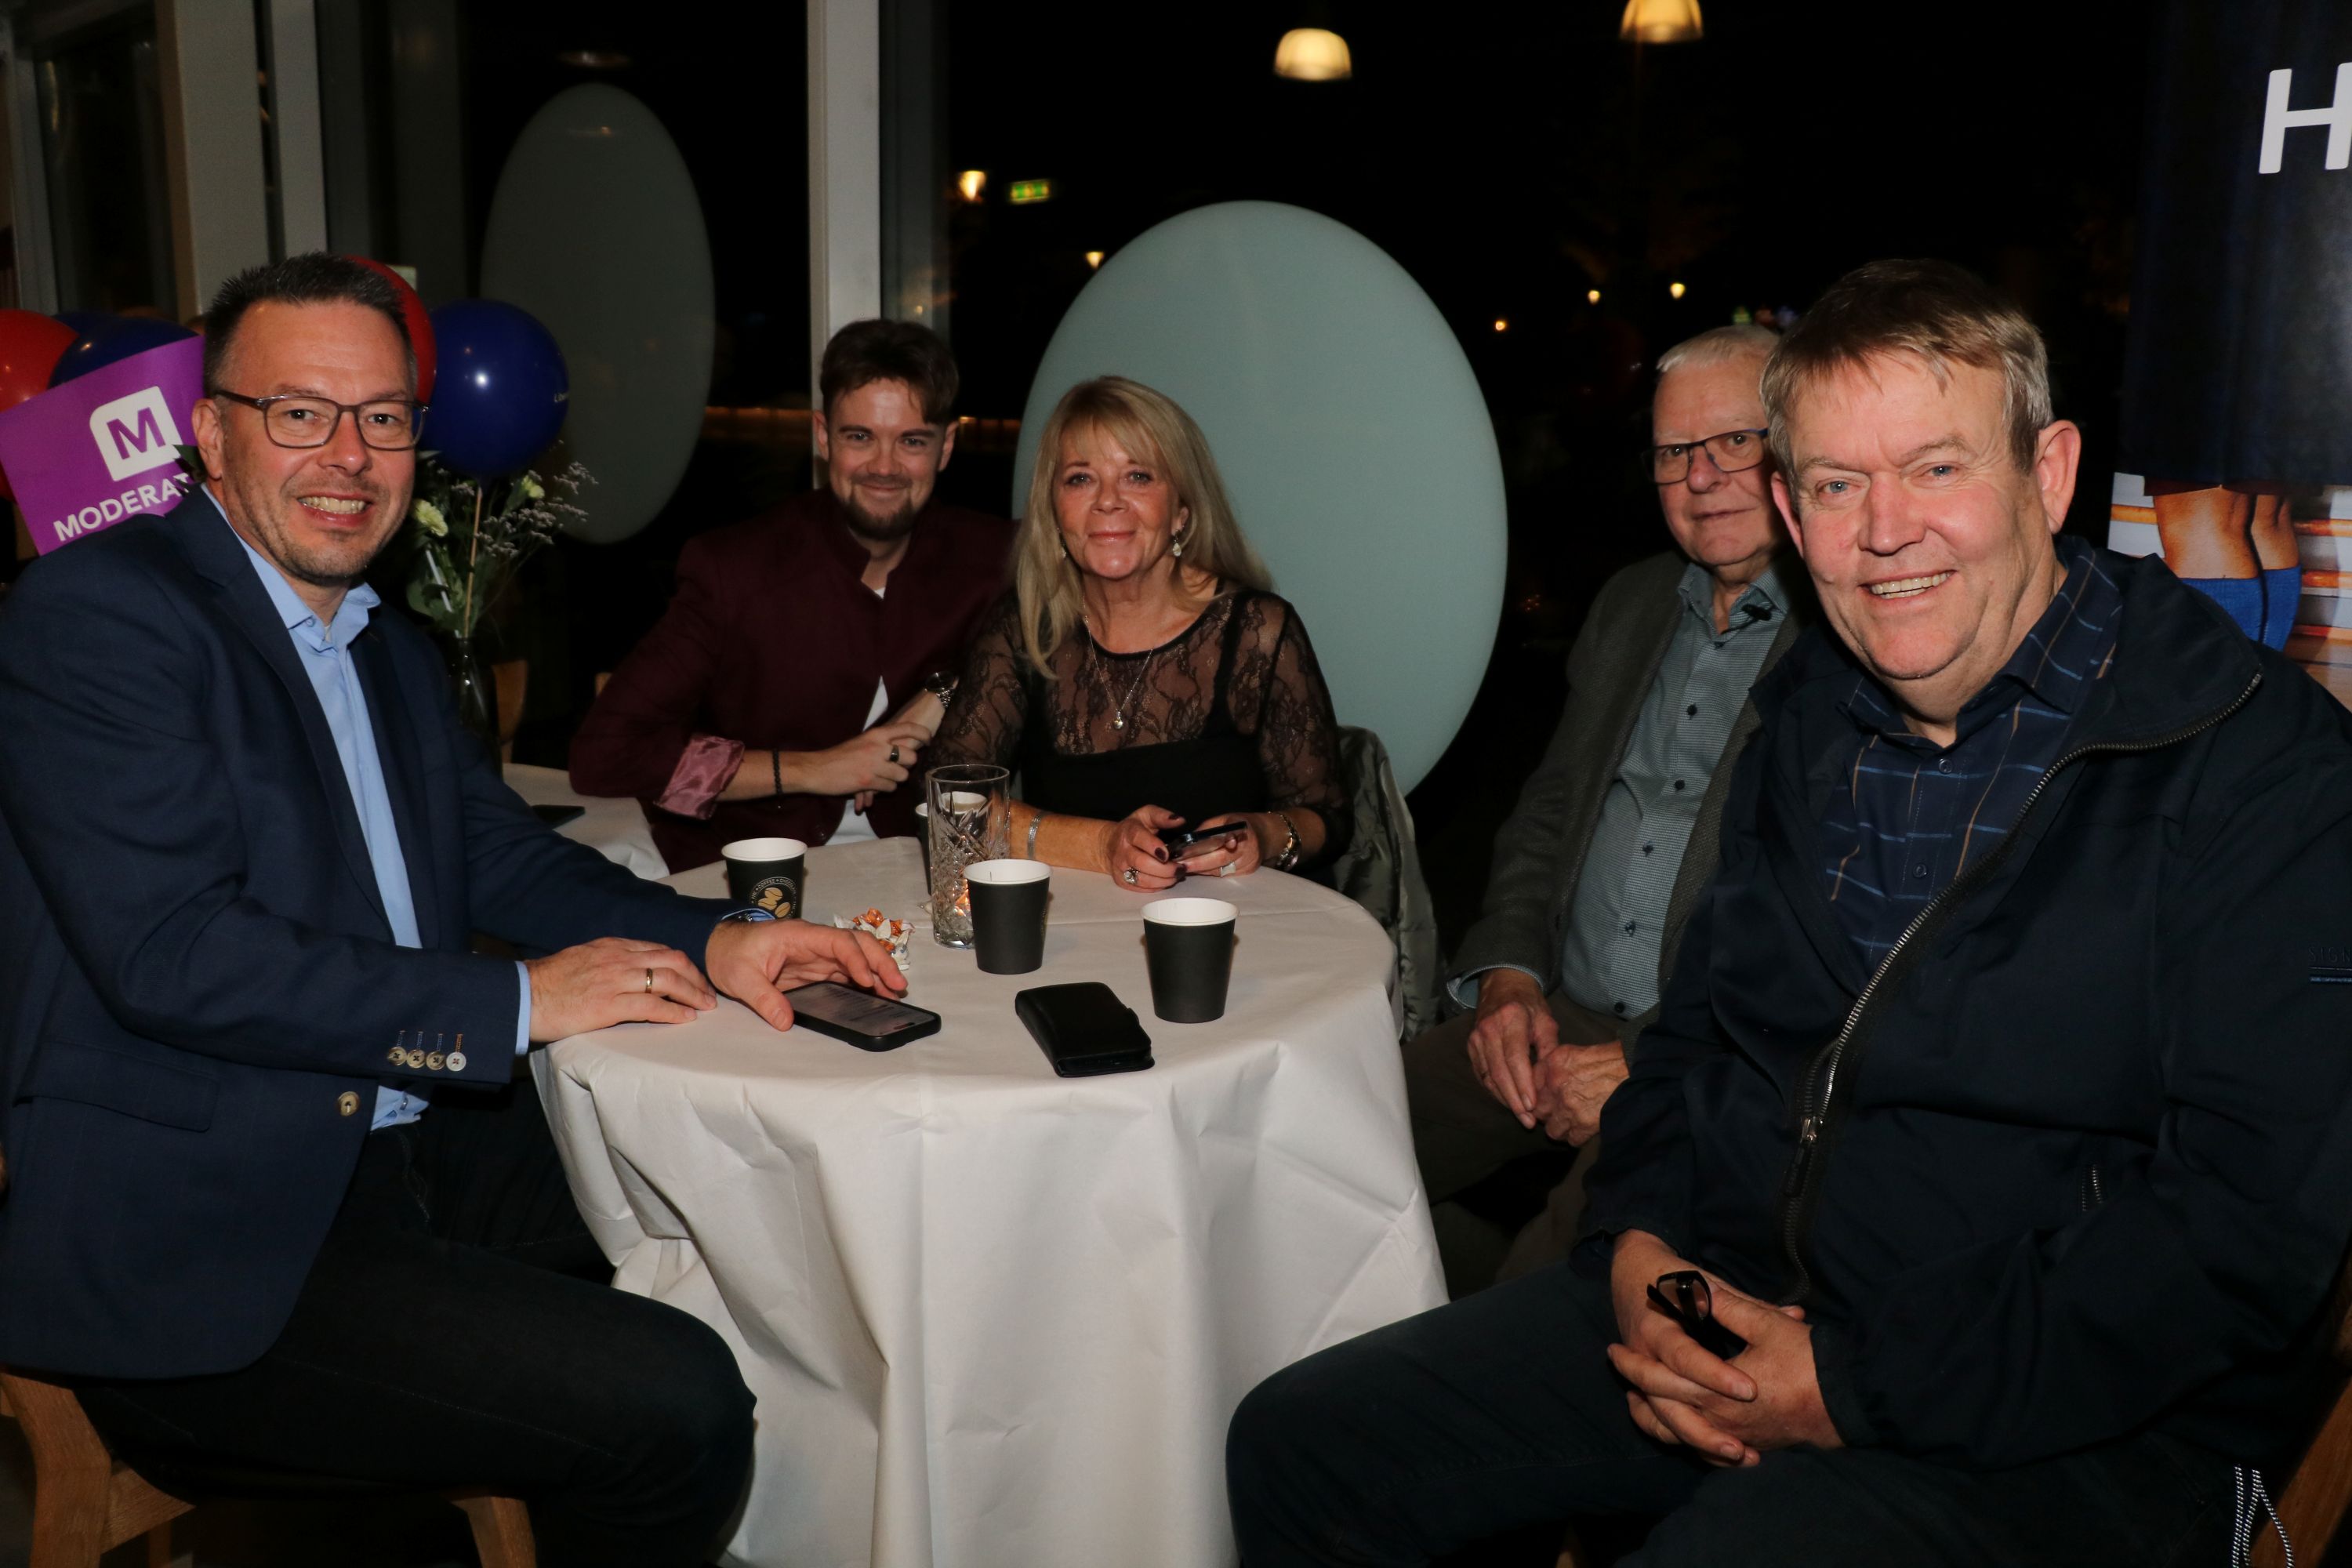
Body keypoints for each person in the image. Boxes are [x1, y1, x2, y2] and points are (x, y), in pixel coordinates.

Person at [1226, 260, 2352, 1566]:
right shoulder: (1813, 718)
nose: (1884, 531)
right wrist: (1640, 1240)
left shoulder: (2263, 770)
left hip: (2083, 1414)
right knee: (1303, 1442)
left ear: (2048, 475)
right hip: (1748, 1300)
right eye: (1834, 484)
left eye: (1936, 468)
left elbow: (2238, 1238)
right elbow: (1701, 1038)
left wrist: (1849, 1385)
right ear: (1790, 503)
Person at [0, 255, 907, 1568]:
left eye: (382, 417)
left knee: (759, 1184)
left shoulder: (386, 643)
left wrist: (718, 936)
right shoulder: (100, 617)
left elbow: (499, 861)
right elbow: (174, 955)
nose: (349, 455)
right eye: (298, 411)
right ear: (210, 431)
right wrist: (523, 1000)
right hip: (213, 1244)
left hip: (403, 1146)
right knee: (679, 1403)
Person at [1406, 325, 1811, 1296]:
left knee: (1546, 1300)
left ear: (1796, 449)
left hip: (1702, 1046)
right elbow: (1548, 809)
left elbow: (1816, 934)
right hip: (1550, 1007)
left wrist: (1648, 1058)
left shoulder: (1846, 641)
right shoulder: (1632, 603)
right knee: (1314, 1148)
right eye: (1675, 451)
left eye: (1734, 442)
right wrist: (1505, 977)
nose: (1702, 476)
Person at [568, 318, 1015, 871]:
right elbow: (606, 755)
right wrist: (811, 769)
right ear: (823, 437)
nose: (884, 467)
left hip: (915, 877)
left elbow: (1065, 620)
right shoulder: (736, 570)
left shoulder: (993, 556)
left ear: (946, 448)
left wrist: (945, 692)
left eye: (912, 442)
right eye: (860, 437)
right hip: (749, 878)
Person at [928, 376, 1349, 888]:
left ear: (1182, 512)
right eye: (1081, 478)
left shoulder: (1256, 632)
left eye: (1138, 477)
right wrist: (1101, 845)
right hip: (1073, 934)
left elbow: (1325, 816)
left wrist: (1262, 834)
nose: (1108, 501)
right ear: (1054, 512)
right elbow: (951, 802)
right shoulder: (1024, 628)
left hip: (1232, 932)